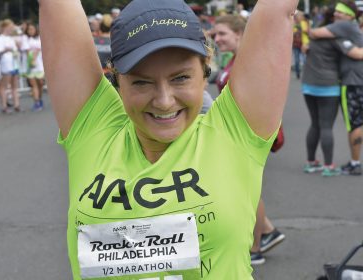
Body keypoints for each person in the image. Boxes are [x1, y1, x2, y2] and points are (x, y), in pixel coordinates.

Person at [40, 0, 297, 279]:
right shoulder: (93, 130)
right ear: (117, 81)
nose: (164, 101)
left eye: (180, 78)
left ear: (204, 74)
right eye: (141, 82)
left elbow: (277, 9)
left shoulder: (235, 133)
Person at [213, 14, 285, 265]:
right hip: (234, 137)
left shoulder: (249, 62)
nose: (216, 38)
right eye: (215, 34)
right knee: (246, 189)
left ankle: (255, 247)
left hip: (245, 138)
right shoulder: (237, 59)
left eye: (221, 33)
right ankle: (267, 231)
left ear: (239, 33)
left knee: (248, 192)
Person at [310, 0, 363, 176]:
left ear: (350, 15)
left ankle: (355, 164)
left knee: (354, 123)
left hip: (352, 82)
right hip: (357, 80)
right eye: (336, 12)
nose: (336, 15)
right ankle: (355, 162)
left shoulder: (344, 27)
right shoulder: (351, 28)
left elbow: (315, 32)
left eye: (341, 12)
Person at [0, 19, 21, 113]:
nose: (11, 29)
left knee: (15, 85)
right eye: (10, 27)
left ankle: (17, 104)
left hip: (14, 63)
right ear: (4, 28)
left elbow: (17, 47)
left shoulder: (11, 38)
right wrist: (6, 50)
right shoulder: (0, 38)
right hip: (6, 64)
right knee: (4, 85)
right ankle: (4, 106)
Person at [25, 23, 44, 111]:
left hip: (39, 65)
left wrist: (35, 56)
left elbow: (40, 49)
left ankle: (39, 99)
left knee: (40, 83)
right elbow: (27, 51)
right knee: (33, 85)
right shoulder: (26, 40)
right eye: (29, 29)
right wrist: (31, 60)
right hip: (30, 65)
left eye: (32, 29)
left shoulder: (39, 39)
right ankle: (36, 101)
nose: (31, 31)